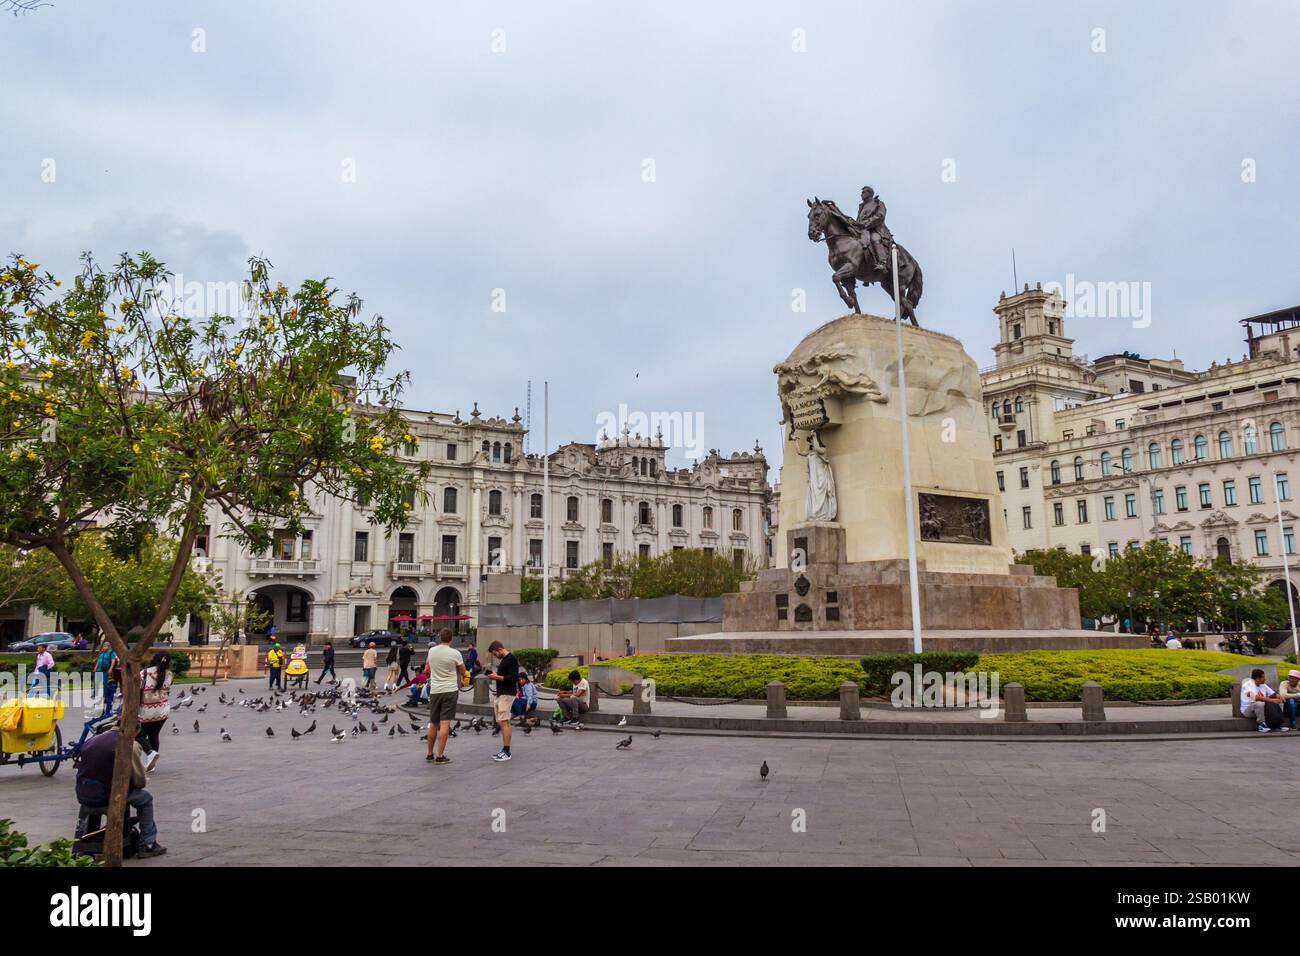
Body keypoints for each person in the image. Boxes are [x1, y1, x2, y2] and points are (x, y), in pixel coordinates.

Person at [76, 725, 165, 858]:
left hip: (83, 793)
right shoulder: (129, 744)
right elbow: (139, 780)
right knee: (145, 799)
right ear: (137, 731)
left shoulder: (93, 739)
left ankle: (84, 844)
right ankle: (148, 843)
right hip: (108, 795)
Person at [424, 628, 467, 765]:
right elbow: (463, 670)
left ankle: (429, 754)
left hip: (435, 690)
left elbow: (427, 668)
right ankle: (440, 755)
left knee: (433, 722)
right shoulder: (455, 653)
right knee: (444, 723)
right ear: (451, 639)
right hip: (450, 689)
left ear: (439, 638)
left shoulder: (432, 651)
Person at [483, 640, 519, 762]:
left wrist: (496, 676)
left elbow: (513, 678)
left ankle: (507, 751)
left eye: (494, 654)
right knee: (503, 722)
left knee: (504, 722)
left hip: (507, 694)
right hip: (501, 693)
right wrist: (495, 675)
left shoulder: (511, 659)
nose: (494, 656)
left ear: (499, 649)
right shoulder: (504, 659)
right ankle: (505, 749)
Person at [137, 652, 173, 770]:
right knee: (154, 735)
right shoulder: (169, 674)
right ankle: (151, 764)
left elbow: (138, 690)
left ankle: (150, 753)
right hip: (163, 710)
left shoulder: (145, 673)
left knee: (137, 733)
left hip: (147, 711)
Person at [1240, 668, 1287, 733]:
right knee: (1259, 703)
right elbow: (1254, 697)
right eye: (1263, 677)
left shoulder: (1263, 685)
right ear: (1257, 678)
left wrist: (1280, 697)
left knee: (1279, 702)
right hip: (1248, 711)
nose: (1265, 679)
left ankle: (1278, 724)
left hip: (1263, 709)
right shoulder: (1247, 685)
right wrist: (1272, 700)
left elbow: (1273, 694)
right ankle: (1261, 725)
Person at [94, 641, 118, 714]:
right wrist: (95, 667)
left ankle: (105, 694)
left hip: (105, 671)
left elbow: (113, 661)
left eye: (105, 646)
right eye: (103, 646)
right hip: (98, 670)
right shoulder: (102, 653)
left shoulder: (111, 653)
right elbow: (99, 660)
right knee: (96, 684)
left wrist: (110, 669)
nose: (104, 647)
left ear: (108, 647)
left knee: (104, 683)